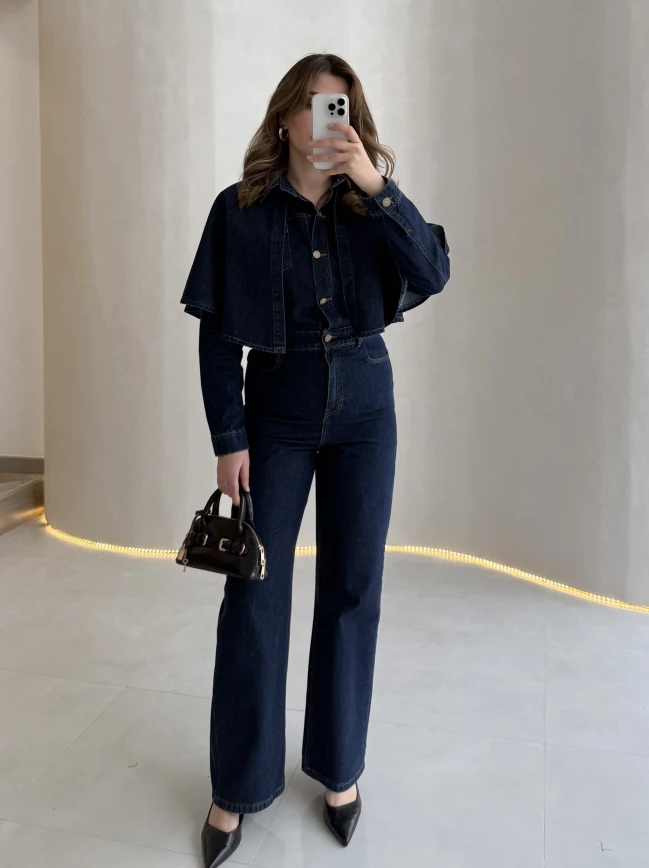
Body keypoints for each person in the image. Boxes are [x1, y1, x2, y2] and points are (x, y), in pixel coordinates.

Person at [179, 53, 450, 868]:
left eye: (343, 107)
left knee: (353, 588)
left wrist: (376, 184)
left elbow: (433, 272)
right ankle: (238, 784)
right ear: (285, 116)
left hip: (366, 403)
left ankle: (339, 769)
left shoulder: (372, 205)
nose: (330, 119)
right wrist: (229, 437)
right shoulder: (240, 210)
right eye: (314, 104)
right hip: (280, 407)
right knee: (253, 593)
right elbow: (216, 337)